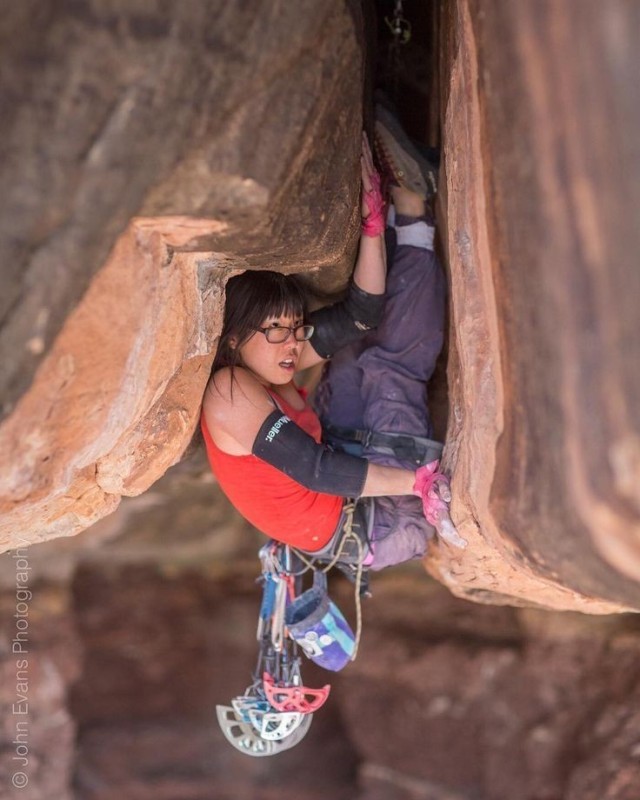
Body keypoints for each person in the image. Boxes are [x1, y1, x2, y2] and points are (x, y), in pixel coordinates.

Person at [201, 116, 463, 573]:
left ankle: (395, 215)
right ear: (235, 338)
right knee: (388, 368)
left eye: (295, 325)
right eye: (276, 330)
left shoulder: (269, 360)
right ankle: (414, 206)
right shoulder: (229, 394)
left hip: (341, 461)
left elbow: (359, 314)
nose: (292, 342)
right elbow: (314, 470)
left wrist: (372, 224)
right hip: (375, 524)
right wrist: (418, 482)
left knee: (350, 353)